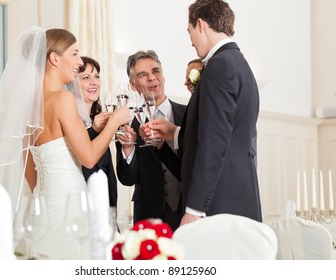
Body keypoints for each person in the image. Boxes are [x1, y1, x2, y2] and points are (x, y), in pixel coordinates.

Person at [0, 26, 130, 259]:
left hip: (41, 209)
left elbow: (30, 173)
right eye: (74, 53)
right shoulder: (62, 99)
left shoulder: (27, 107)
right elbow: (90, 157)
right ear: (54, 58)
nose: (79, 61)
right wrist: (116, 121)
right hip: (69, 208)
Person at [147, 0, 262, 225]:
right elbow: (226, 132)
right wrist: (176, 132)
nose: (190, 40)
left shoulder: (220, 66)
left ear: (200, 24)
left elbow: (214, 141)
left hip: (220, 200)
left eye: (189, 31)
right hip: (237, 194)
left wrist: (195, 207)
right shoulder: (239, 63)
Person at [115, 50, 186, 231]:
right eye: (143, 75)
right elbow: (127, 179)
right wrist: (128, 149)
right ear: (132, 85)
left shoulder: (189, 114)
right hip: (148, 216)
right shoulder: (127, 124)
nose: (152, 78)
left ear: (163, 76)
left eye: (156, 71)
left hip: (188, 212)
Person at [78, 56, 118, 207]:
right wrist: (94, 130)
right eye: (86, 77)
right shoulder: (69, 119)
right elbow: (81, 161)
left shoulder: (100, 118)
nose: (94, 82)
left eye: (97, 76)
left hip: (105, 204)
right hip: (83, 203)